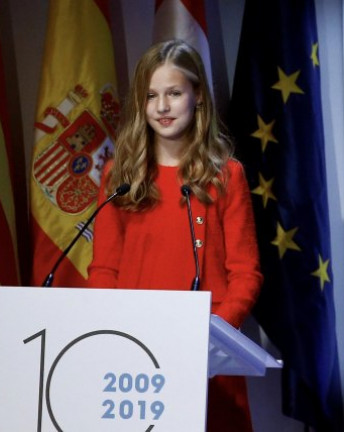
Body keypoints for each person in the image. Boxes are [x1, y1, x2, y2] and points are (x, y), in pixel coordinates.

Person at [88, 39, 263, 432]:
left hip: (207, 354)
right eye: (151, 96)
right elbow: (103, 268)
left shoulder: (225, 176)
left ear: (197, 96)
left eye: (174, 93)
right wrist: (114, 330)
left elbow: (245, 272)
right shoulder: (119, 177)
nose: (162, 107)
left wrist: (213, 337)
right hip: (134, 351)